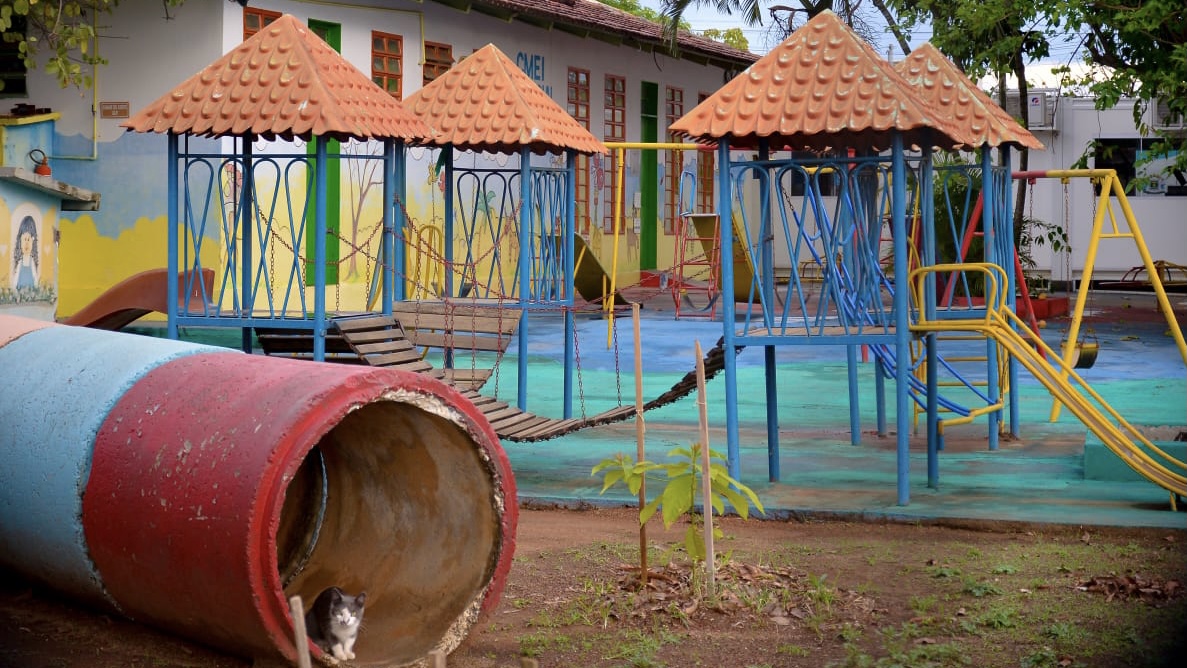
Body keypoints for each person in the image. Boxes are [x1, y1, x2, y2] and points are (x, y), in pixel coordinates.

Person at [12, 215, 39, 290]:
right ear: (20, 241)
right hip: (20, 295)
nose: (26, 243)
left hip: (30, 294)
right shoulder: (20, 262)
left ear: (33, 241)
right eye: (24, 239)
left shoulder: (32, 262)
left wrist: (37, 290)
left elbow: (35, 278)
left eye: (28, 239)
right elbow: (16, 279)